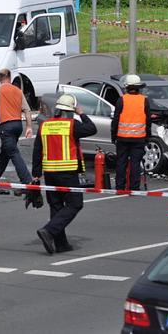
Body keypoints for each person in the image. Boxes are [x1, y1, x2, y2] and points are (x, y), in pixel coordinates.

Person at [32, 94, 97, 254]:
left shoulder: (44, 125)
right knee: (75, 204)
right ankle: (49, 230)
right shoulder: (72, 125)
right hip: (67, 172)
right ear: (70, 111)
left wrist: (36, 175)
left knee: (56, 206)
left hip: (50, 173)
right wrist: (81, 113)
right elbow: (92, 128)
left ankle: (61, 244)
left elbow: (37, 151)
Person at [111, 74, 151, 191]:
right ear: (139, 88)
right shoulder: (144, 100)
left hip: (122, 138)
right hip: (139, 138)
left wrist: (113, 136)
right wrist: (147, 137)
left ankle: (120, 187)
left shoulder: (122, 100)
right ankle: (134, 187)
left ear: (127, 87)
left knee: (121, 163)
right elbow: (148, 120)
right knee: (135, 164)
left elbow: (116, 120)